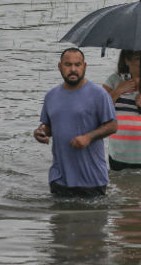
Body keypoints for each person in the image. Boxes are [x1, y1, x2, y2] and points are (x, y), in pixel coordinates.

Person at [34, 47, 118, 197]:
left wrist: (88, 137)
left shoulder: (99, 94)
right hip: (59, 179)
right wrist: (40, 132)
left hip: (91, 179)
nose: (73, 69)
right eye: (68, 65)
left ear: (84, 66)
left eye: (77, 65)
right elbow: (48, 126)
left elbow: (112, 126)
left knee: (94, 219)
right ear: (60, 67)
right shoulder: (51, 96)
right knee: (60, 219)